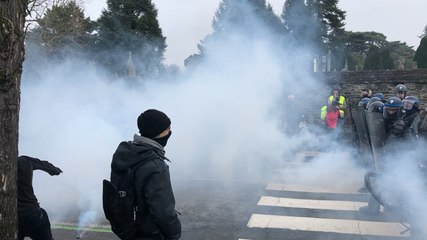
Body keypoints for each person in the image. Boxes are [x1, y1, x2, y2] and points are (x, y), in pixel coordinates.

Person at [110, 109, 181, 240]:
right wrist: (174, 235)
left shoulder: (126, 153)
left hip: (129, 229)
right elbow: (163, 212)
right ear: (158, 132)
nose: (170, 131)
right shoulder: (155, 165)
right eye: (167, 128)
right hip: (150, 233)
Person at [17, 155, 62, 240]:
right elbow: (44, 165)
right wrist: (55, 170)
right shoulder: (23, 161)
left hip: (15, 220)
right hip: (33, 214)